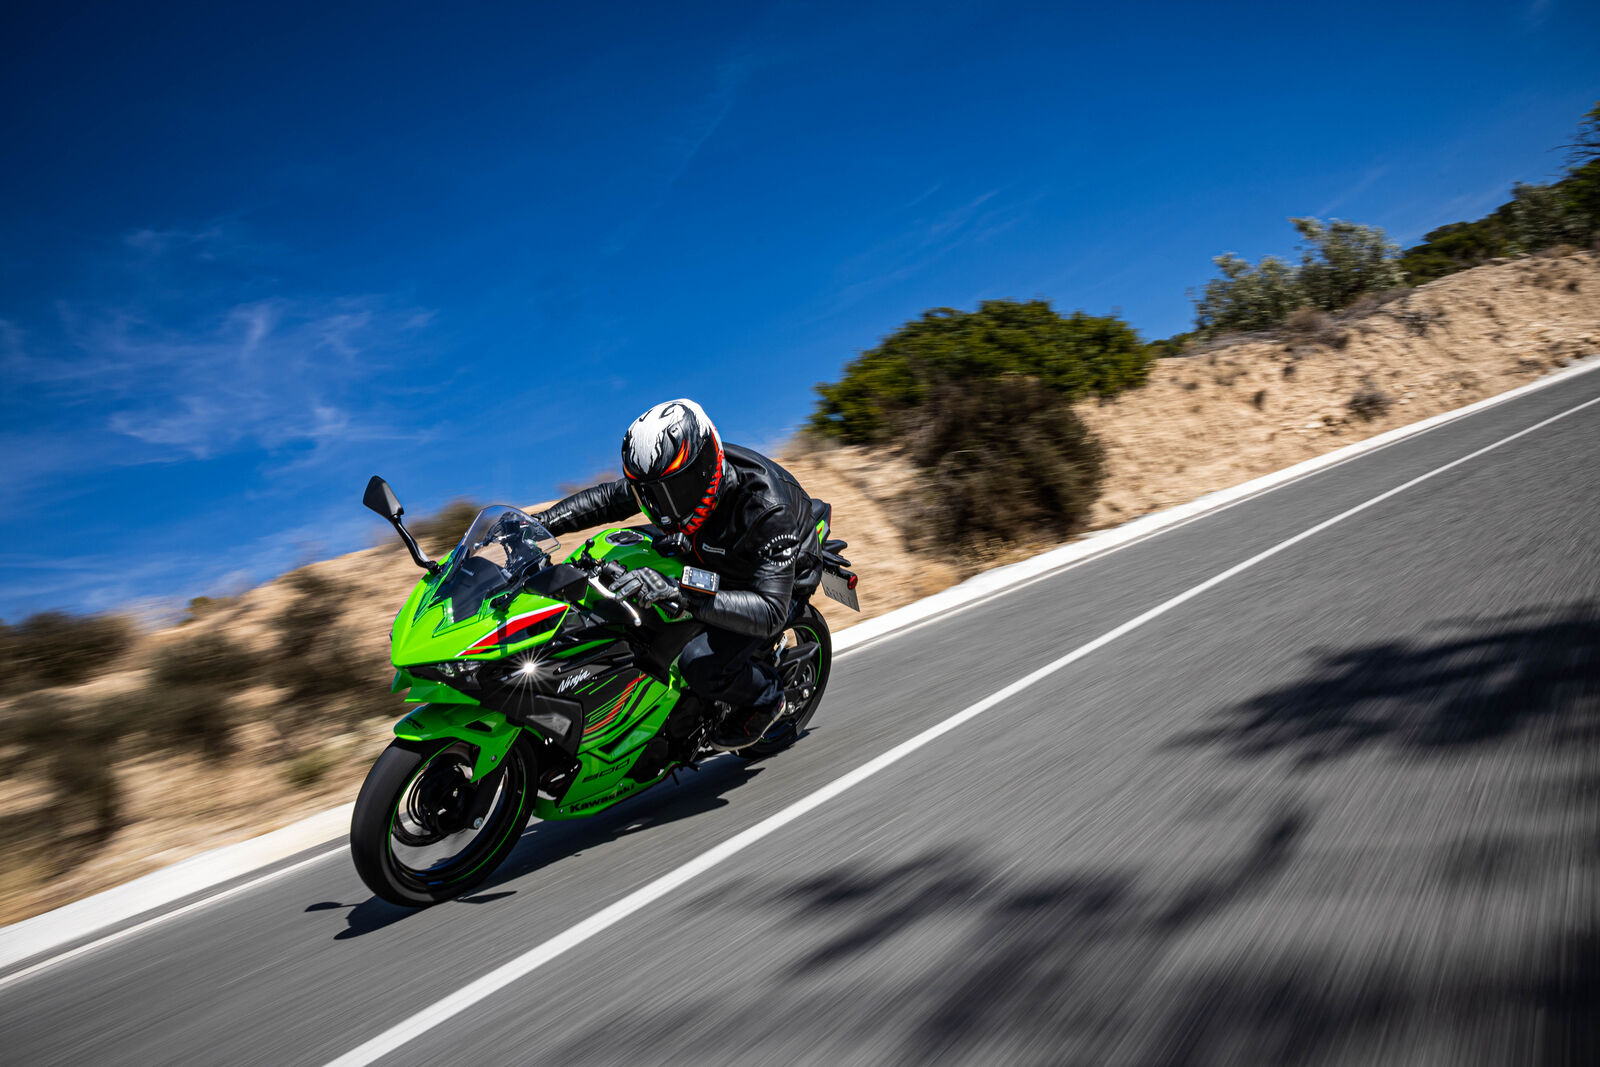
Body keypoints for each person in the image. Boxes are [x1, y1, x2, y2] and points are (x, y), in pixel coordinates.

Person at [534, 398, 819, 750]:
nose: (663, 506)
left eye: (675, 490)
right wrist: (540, 524)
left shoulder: (764, 508)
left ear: (706, 465)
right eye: (652, 492)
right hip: (708, 553)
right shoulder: (667, 479)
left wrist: (682, 595)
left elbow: (771, 610)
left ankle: (768, 698)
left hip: (773, 579)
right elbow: (608, 499)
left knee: (700, 663)